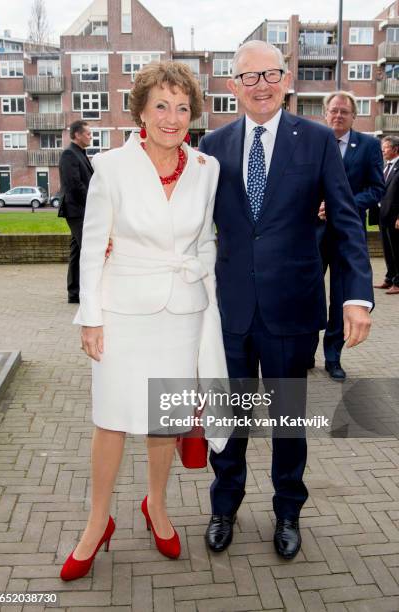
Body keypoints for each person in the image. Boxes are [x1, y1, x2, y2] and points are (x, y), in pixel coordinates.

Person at [199, 40, 373, 560]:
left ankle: (288, 512)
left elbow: (346, 221)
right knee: (228, 420)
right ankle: (224, 506)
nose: (260, 85)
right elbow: (187, 221)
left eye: (270, 74)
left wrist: (357, 296)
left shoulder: (318, 140)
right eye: (248, 77)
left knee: (287, 421)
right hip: (230, 310)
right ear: (233, 87)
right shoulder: (211, 145)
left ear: (286, 79)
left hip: (292, 309)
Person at [60, 61, 228, 581]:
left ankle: (155, 505)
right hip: (123, 312)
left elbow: (204, 240)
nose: (172, 118)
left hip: (182, 312)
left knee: (165, 421)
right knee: (110, 419)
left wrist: (200, 267)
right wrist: (90, 318)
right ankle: (96, 521)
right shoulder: (110, 166)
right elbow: (91, 246)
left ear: (192, 113)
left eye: (182, 107)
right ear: (140, 109)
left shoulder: (206, 168)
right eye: (161, 105)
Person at [312, 91, 385, 380]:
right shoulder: (313, 143)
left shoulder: (368, 146)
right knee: (307, 295)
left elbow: (377, 188)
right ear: (325, 114)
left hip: (347, 235)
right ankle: (305, 351)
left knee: (342, 297)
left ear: (354, 116)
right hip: (313, 233)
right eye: (334, 111)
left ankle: (333, 357)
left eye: (345, 111)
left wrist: (342, 205)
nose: (338, 115)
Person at [58, 120, 93, 304]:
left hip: (81, 209)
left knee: (77, 251)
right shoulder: (69, 154)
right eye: (87, 133)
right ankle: (81, 291)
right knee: (87, 250)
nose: (90, 136)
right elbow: (75, 185)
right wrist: (94, 203)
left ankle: (74, 292)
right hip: (76, 210)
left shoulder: (81, 154)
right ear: (77, 135)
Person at [374, 135, 399, 294]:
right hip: (383, 215)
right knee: (387, 249)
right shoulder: (385, 166)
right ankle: (390, 278)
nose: (383, 150)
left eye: (386, 147)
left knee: (397, 249)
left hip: (395, 216)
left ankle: (398, 282)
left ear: (396, 149)